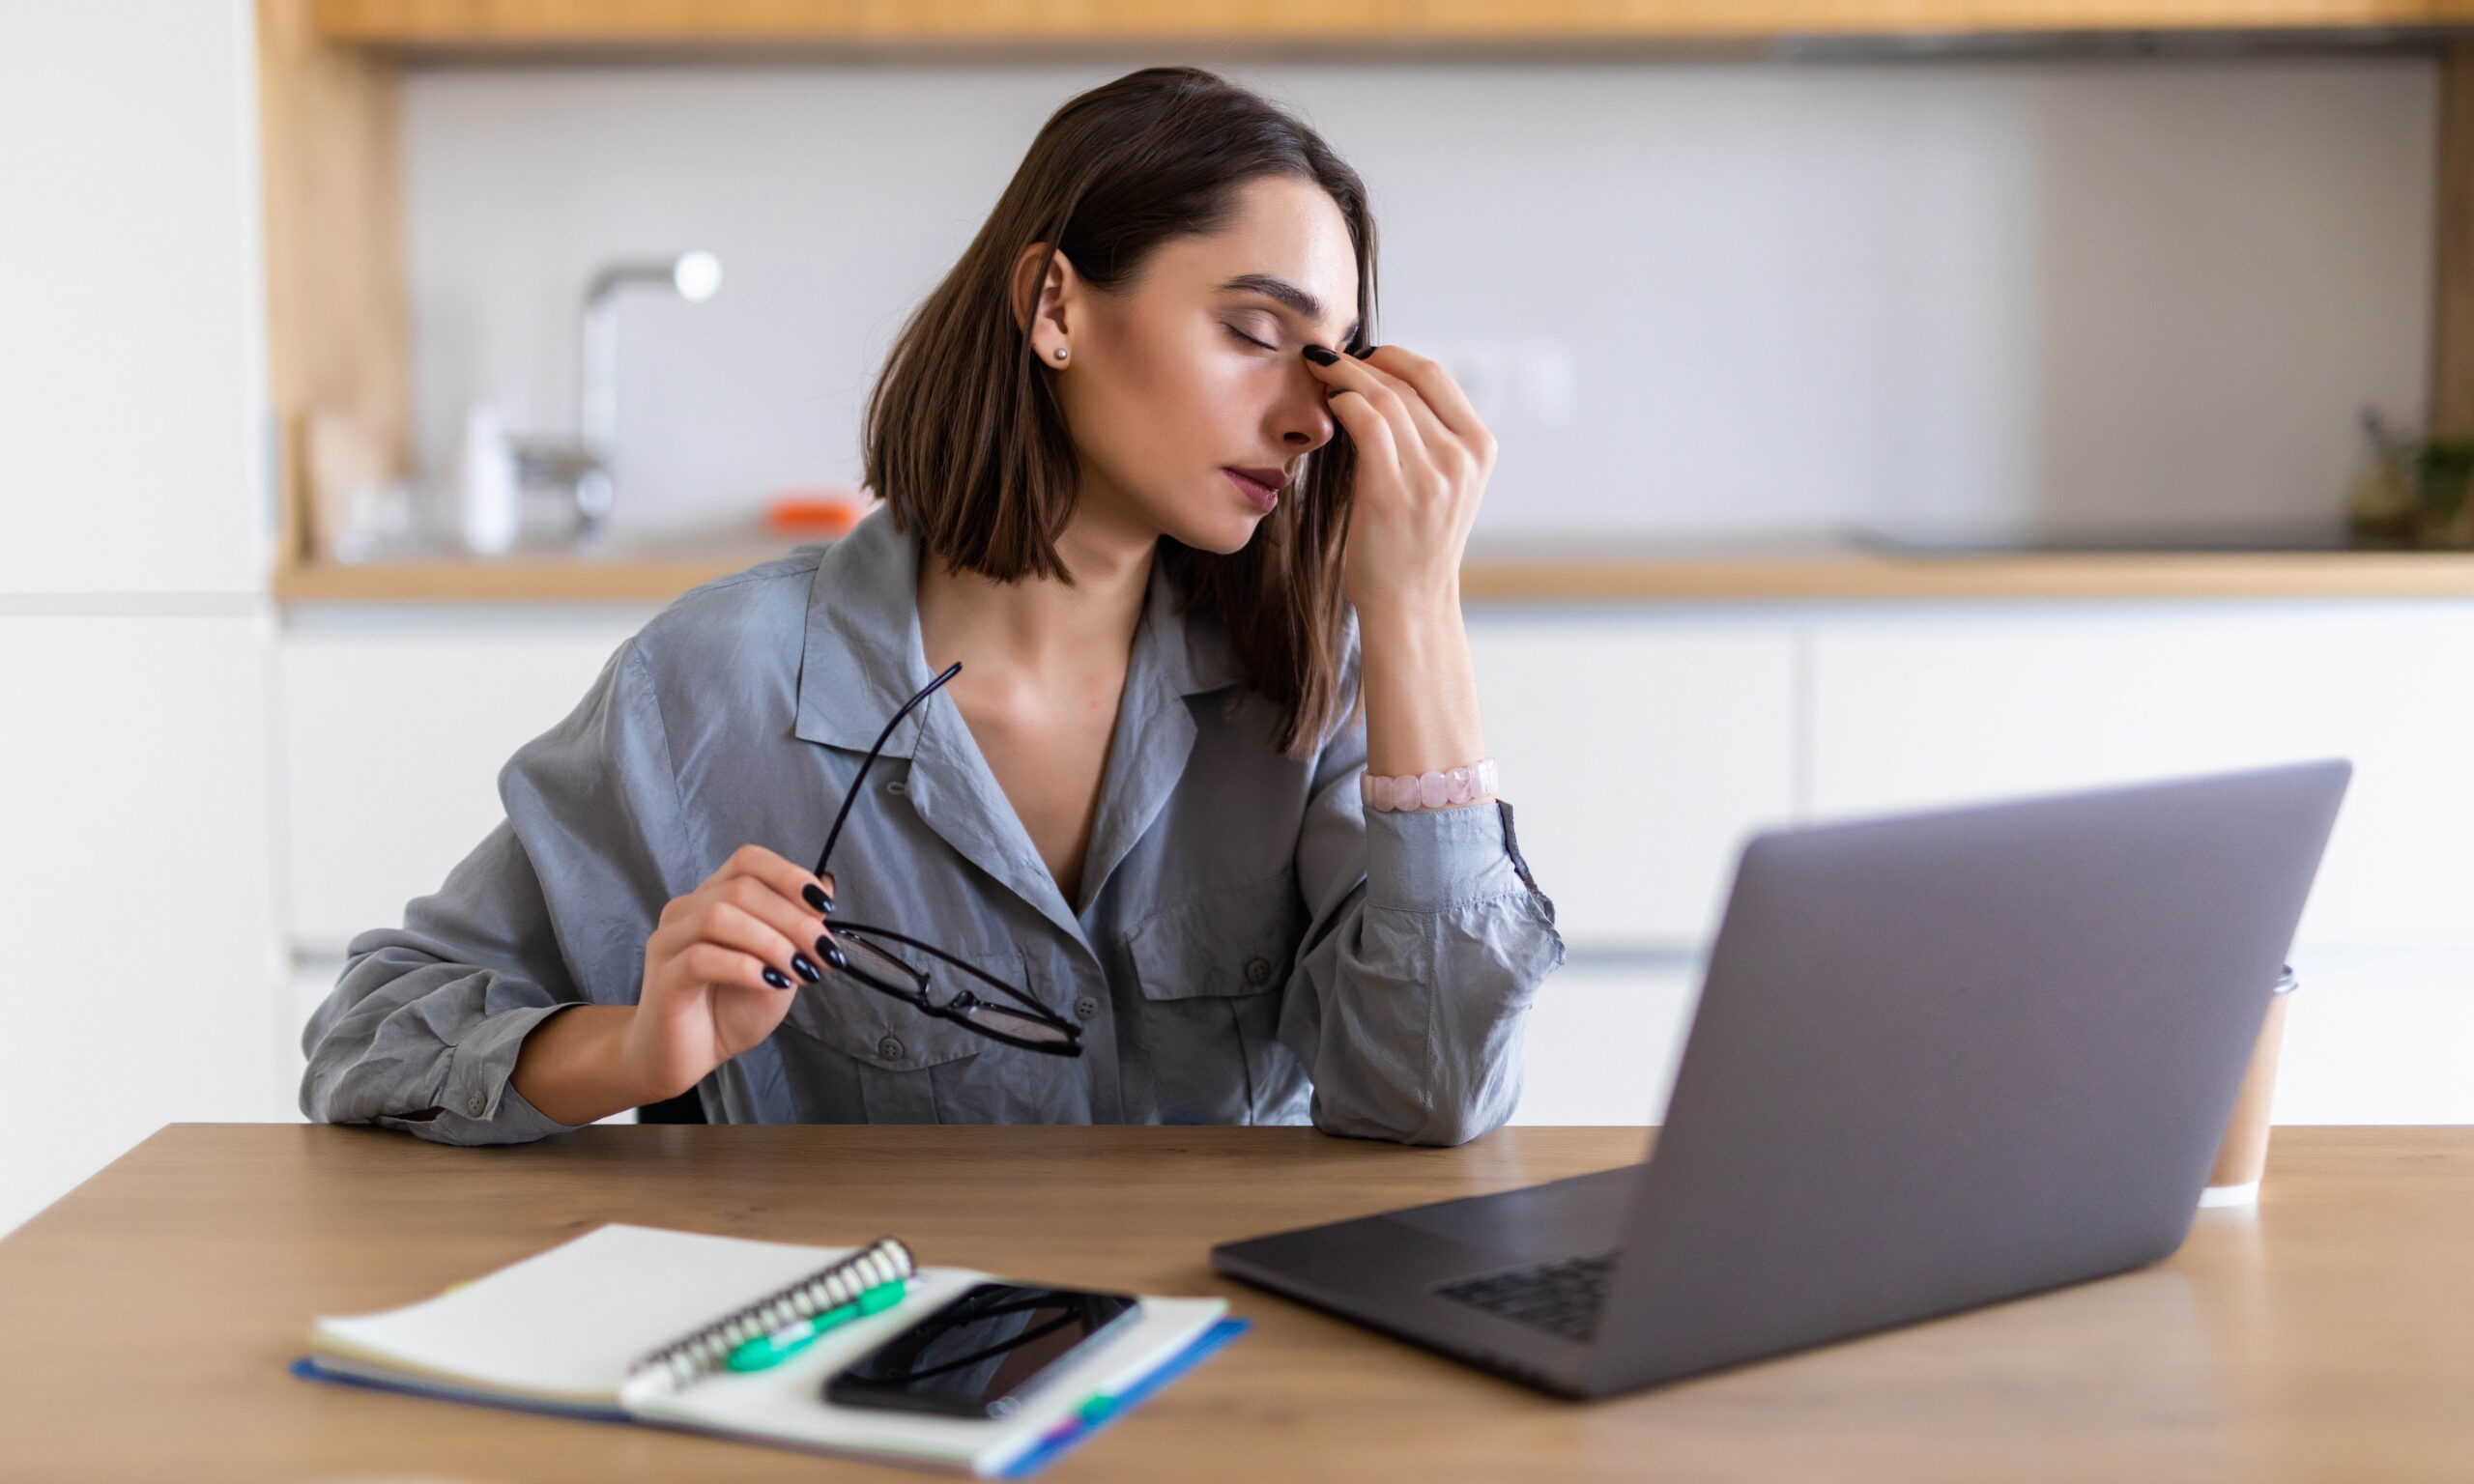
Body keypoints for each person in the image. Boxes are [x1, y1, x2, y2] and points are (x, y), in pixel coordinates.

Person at [301, 67, 1563, 1147]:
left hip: (1223, 1378)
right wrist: (635, 1051)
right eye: (1251, 330)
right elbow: (368, 1039)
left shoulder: (1318, 683)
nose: (1305, 415)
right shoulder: (712, 688)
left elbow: (1432, 1094)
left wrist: (1413, 611)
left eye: (1330, 359)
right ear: (1055, 306)